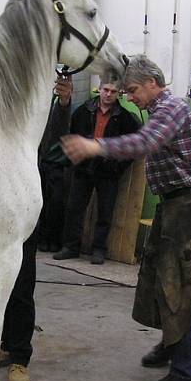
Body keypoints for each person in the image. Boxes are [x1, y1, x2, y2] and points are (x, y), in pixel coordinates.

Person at [62, 55, 191, 381]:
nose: (129, 97)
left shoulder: (171, 108)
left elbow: (143, 144)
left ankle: (186, 374)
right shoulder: (159, 111)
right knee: (160, 281)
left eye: (133, 90)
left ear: (154, 83)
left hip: (186, 205)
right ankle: (173, 346)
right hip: (173, 203)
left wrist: (94, 145)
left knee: (177, 289)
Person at [0, 74, 74, 381]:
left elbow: (55, 134)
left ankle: (20, 355)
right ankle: (1, 343)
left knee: (21, 283)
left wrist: (65, 103)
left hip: (24, 213)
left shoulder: (33, 122)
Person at [52, 81, 140, 264]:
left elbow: (133, 147)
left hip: (108, 172)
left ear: (119, 94)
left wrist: (117, 167)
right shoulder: (83, 111)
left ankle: (99, 249)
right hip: (83, 168)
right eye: (106, 90)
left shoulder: (125, 118)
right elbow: (72, 133)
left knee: (105, 212)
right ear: (99, 90)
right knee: (74, 208)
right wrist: (75, 158)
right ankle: (71, 246)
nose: (108, 94)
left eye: (113, 91)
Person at [37, 75, 74, 253]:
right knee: (41, 203)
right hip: (39, 160)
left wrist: (64, 99)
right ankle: (41, 239)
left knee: (56, 204)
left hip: (57, 163)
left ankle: (53, 240)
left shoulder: (60, 103)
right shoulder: (40, 101)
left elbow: (63, 109)